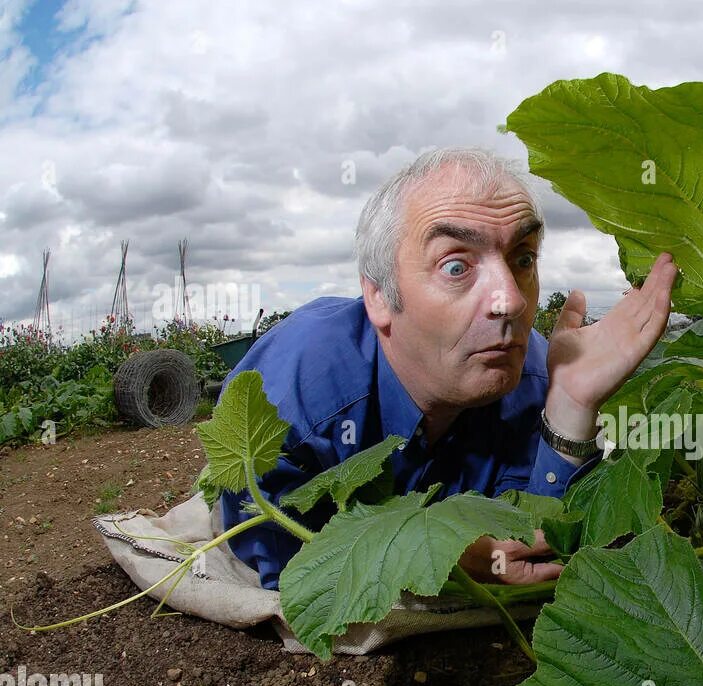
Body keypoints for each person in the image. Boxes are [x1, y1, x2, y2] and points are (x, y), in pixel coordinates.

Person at [218, 147, 677, 589]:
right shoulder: (297, 393)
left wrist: (572, 408)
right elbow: (282, 562)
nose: (512, 301)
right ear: (379, 295)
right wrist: (442, 556)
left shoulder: (540, 376)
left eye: (523, 259)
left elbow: (547, 540)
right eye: (456, 266)